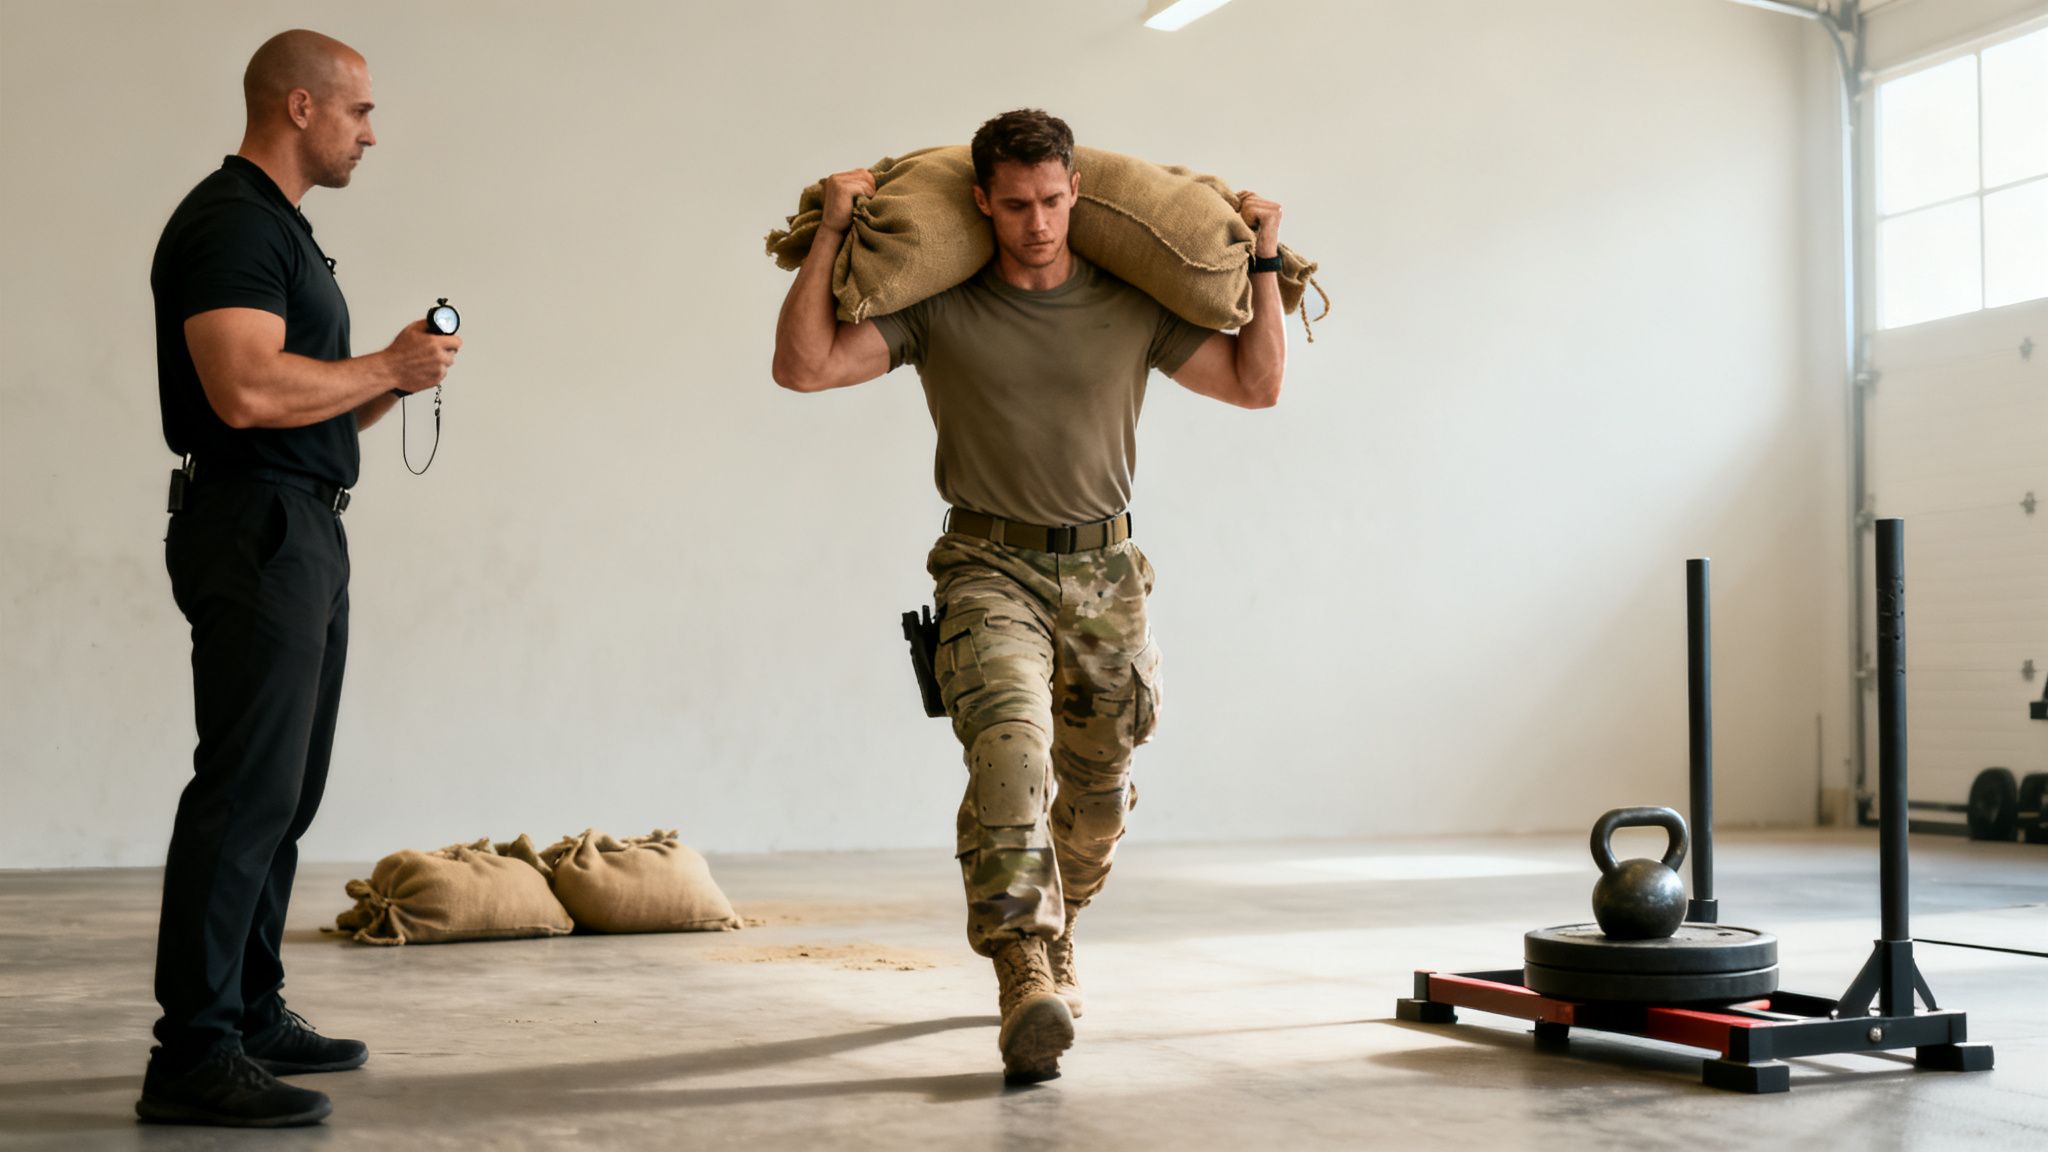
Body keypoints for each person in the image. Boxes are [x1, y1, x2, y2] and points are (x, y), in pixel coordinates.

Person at [772, 109, 1285, 1083]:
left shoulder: (1129, 302)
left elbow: (1254, 386)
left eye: (1052, 201)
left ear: (1075, 194)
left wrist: (1260, 259)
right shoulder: (942, 306)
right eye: (1015, 205)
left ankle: (1057, 935)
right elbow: (803, 367)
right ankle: (1020, 975)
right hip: (985, 567)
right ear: (981, 203)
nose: (1037, 223)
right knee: (1010, 757)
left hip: (1106, 576)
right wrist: (833, 229)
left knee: (1093, 799)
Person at [141, 29, 461, 1127]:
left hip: (302, 525)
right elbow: (239, 391)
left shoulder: (282, 232)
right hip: (257, 527)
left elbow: (302, 394)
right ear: (298, 107)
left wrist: (392, 372)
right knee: (243, 792)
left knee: (288, 790)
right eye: (359, 112)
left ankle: (252, 1003)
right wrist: (382, 365)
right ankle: (193, 1051)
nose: (370, 133)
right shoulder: (230, 223)